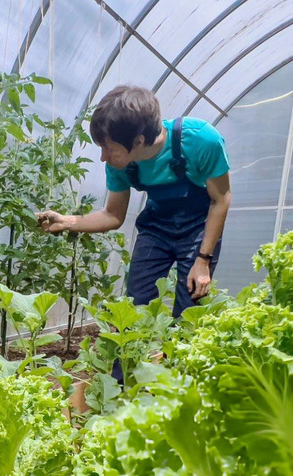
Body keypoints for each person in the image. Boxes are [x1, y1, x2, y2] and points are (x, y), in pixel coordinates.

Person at [38, 85, 232, 316]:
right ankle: (136, 352)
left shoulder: (200, 141)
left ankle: (178, 351)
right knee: (136, 305)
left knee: (190, 309)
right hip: (156, 229)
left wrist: (203, 260)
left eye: (108, 148)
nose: (103, 157)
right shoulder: (119, 164)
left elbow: (220, 200)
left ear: (139, 141)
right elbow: (113, 215)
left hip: (198, 229)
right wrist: (65, 221)